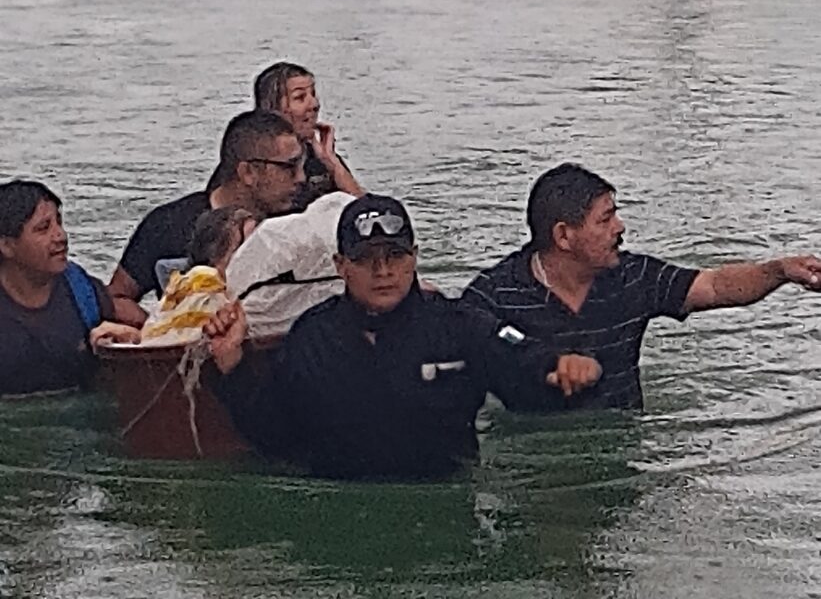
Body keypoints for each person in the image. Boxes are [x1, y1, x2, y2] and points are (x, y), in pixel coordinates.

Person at [205, 194, 594, 480]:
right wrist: (231, 364)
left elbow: (519, 359)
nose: (383, 271)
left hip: (442, 512)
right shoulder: (310, 337)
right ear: (340, 266)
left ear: (415, 257)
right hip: (341, 519)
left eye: (394, 256)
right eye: (366, 259)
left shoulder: (457, 326)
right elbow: (273, 437)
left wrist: (560, 367)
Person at [461, 163, 821, 412]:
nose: (620, 226)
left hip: (622, 442)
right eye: (605, 218)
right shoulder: (498, 294)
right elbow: (472, 331)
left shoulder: (634, 277)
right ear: (563, 236)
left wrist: (778, 271)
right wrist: (545, 360)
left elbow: (713, 286)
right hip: (530, 460)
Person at [108, 110, 305, 326]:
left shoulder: (299, 222)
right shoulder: (167, 225)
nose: (301, 177)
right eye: (290, 167)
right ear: (248, 172)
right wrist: (160, 329)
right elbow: (116, 298)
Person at [0, 180, 133, 396]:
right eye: (44, 228)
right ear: (7, 246)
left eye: (59, 223)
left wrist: (131, 342)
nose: (60, 236)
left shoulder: (85, 294)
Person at [253, 61, 362, 207]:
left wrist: (332, 162)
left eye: (313, 95)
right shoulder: (253, 163)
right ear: (272, 109)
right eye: (300, 98)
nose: (315, 104)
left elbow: (366, 214)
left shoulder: (320, 159)